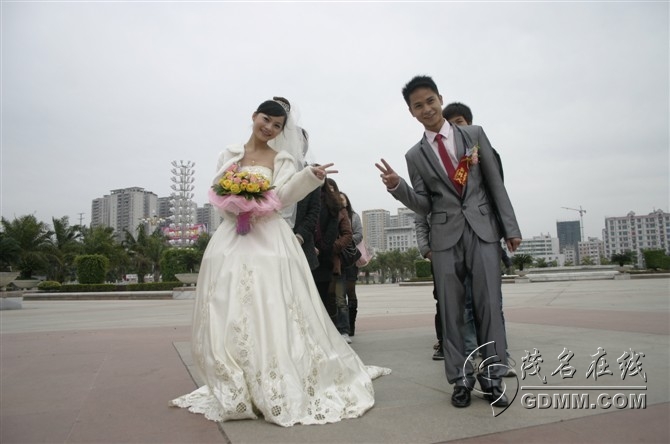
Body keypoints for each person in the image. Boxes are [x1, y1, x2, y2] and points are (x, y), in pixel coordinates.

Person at [171, 98, 390, 426]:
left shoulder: (283, 158)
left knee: (271, 305)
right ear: (254, 117)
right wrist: (236, 205)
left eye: (277, 125)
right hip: (232, 238)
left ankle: (274, 374)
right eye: (266, 120)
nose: (269, 128)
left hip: (269, 238)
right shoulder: (230, 154)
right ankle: (235, 380)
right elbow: (217, 193)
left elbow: (285, 196)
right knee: (227, 306)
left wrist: (311, 177)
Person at [376, 75, 522, 409]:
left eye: (430, 101)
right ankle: (460, 379)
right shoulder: (415, 156)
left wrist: (509, 228)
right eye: (418, 106)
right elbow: (425, 205)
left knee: (489, 307)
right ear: (411, 113)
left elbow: (494, 183)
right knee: (452, 312)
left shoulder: (473, 135)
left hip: (482, 230)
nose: (426, 109)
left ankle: (493, 377)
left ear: (440, 99)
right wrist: (398, 186)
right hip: (444, 238)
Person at [442, 102, 516, 377]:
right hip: (455, 240)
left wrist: (507, 230)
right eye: (453, 124)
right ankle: (472, 356)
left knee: (491, 301)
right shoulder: (441, 159)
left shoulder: (484, 151)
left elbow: (497, 191)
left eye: (461, 121)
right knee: (466, 304)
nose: (458, 128)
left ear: (470, 123)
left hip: (485, 234)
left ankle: (498, 357)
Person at [312, 177, 353, 343]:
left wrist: (331, 246)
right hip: (310, 256)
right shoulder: (307, 204)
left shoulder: (338, 209)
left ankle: (342, 330)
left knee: (338, 297)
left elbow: (348, 234)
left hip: (332, 259)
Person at [293, 129, 321, 271]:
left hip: (302, 245)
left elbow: (314, 210)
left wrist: (299, 236)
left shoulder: (311, 173)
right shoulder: (272, 168)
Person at [340, 192, 363, 337]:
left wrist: (344, 240)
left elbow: (359, 235)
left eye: (343, 199)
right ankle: (343, 326)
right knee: (339, 293)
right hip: (337, 258)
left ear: (347, 202)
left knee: (350, 291)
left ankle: (351, 324)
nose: (341, 201)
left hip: (350, 258)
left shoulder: (354, 216)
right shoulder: (333, 215)